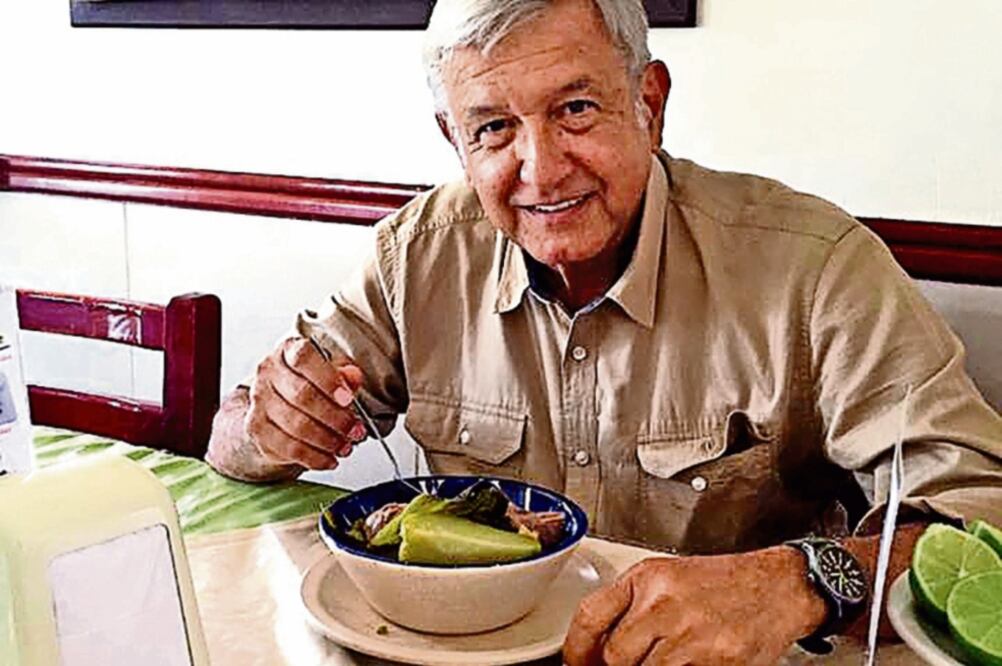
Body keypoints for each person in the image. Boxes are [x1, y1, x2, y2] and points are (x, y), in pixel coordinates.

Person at [206, 0, 1002, 662]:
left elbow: (982, 526)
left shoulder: (817, 268)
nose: (541, 169)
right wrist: (270, 427)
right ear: (454, 139)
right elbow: (233, 439)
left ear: (648, 103)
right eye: (492, 128)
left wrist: (801, 581)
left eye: (576, 109)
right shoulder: (416, 253)